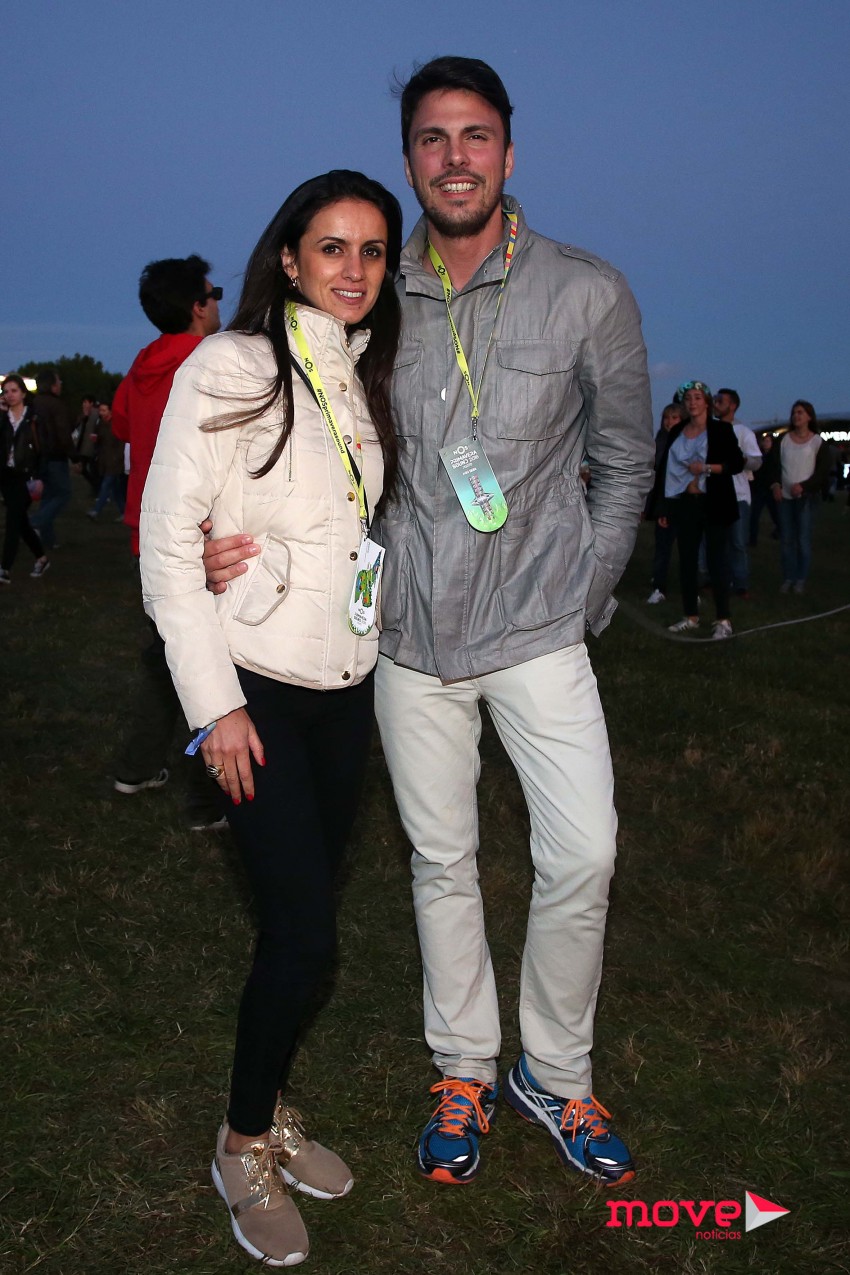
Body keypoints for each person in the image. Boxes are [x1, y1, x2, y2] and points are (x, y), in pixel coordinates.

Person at [204, 57, 654, 1191]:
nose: (455, 158)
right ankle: (464, 1066)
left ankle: (556, 1071)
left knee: (584, 853)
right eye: (432, 138)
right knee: (441, 861)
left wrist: (584, 593)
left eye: (475, 135)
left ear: (509, 151)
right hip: (404, 635)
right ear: (409, 159)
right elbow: (288, 427)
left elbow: (623, 459)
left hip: (540, 625)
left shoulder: (587, 290)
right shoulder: (364, 290)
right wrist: (228, 534)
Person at [140, 170, 403, 1267]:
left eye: (373, 251)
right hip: (255, 695)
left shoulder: (362, 374)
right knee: (305, 934)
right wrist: (215, 710)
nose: (354, 269)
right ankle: (242, 1141)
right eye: (332, 247)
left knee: (298, 930)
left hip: (347, 692)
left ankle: (272, 1106)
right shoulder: (229, 363)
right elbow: (169, 545)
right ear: (288, 258)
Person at [110, 255, 224, 828]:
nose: (220, 302)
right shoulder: (212, 362)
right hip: (201, 535)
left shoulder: (141, 366)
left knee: (165, 657)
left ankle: (135, 767)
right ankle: (209, 799)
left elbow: (120, 427)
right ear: (198, 306)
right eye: (214, 293)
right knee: (214, 667)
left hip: (147, 537)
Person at [653, 381, 743, 638]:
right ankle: (690, 615)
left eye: (697, 397)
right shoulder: (678, 431)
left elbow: (736, 463)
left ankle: (723, 619)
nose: (692, 402)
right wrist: (663, 508)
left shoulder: (720, 430)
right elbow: (666, 470)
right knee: (687, 561)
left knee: (716, 561)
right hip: (685, 504)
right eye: (688, 398)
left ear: (706, 402)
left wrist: (707, 468)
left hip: (714, 503)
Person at [767, 399, 830, 594]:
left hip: (806, 497)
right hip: (784, 497)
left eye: (800, 412)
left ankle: (800, 579)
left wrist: (804, 486)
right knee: (787, 539)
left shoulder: (817, 442)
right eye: (794, 412)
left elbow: (822, 471)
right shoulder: (783, 440)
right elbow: (773, 465)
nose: (796, 416)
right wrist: (775, 485)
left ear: (809, 416)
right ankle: (788, 577)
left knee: (802, 539)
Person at [0, 374, 49, 583]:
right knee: (20, 522)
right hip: (6, 476)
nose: (10, 395)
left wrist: (40, 477)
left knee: (13, 520)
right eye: (6, 391)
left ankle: (5, 568)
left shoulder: (34, 419)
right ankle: (42, 558)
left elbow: (43, 449)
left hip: (26, 477)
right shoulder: (3, 418)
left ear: (23, 393)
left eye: (14, 391)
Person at [712, 388, 761, 597]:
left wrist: (740, 460)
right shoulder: (709, 430)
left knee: (737, 542)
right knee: (717, 542)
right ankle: (717, 581)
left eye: (720, 401)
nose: (715, 404)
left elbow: (757, 461)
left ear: (732, 406)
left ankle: (741, 583)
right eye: (714, 400)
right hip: (714, 494)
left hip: (738, 494)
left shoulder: (743, 432)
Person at [645, 402, 685, 603]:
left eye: (674, 417)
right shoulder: (659, 443)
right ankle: (659, 587)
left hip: (686, 503)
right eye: (666, 418)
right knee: (662, 549)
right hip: (665, 503)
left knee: (689, 550)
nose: (669, 422)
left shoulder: (688, 441)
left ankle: (691, 589)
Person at [30, 368, 73, 551]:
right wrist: (74, 457)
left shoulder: (33, 403)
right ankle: (35, 522)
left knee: (48, 496)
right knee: (63, 494)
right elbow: (63, 434)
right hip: (55, 456)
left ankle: (47, 539)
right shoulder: (57, 405)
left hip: (40, 458)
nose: (60, 384)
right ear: (53, 385)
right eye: (58, 381)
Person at [87, 400, 126, 518]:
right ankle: (124, 512)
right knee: (115, 488)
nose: (101, 413)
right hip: (105, 460)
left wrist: (117, 458)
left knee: (106, 485)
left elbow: (121, 443)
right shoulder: (101, 424)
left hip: (114, 461)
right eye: (100, 410)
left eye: (104, 410)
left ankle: (96, 510)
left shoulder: (116, 424)